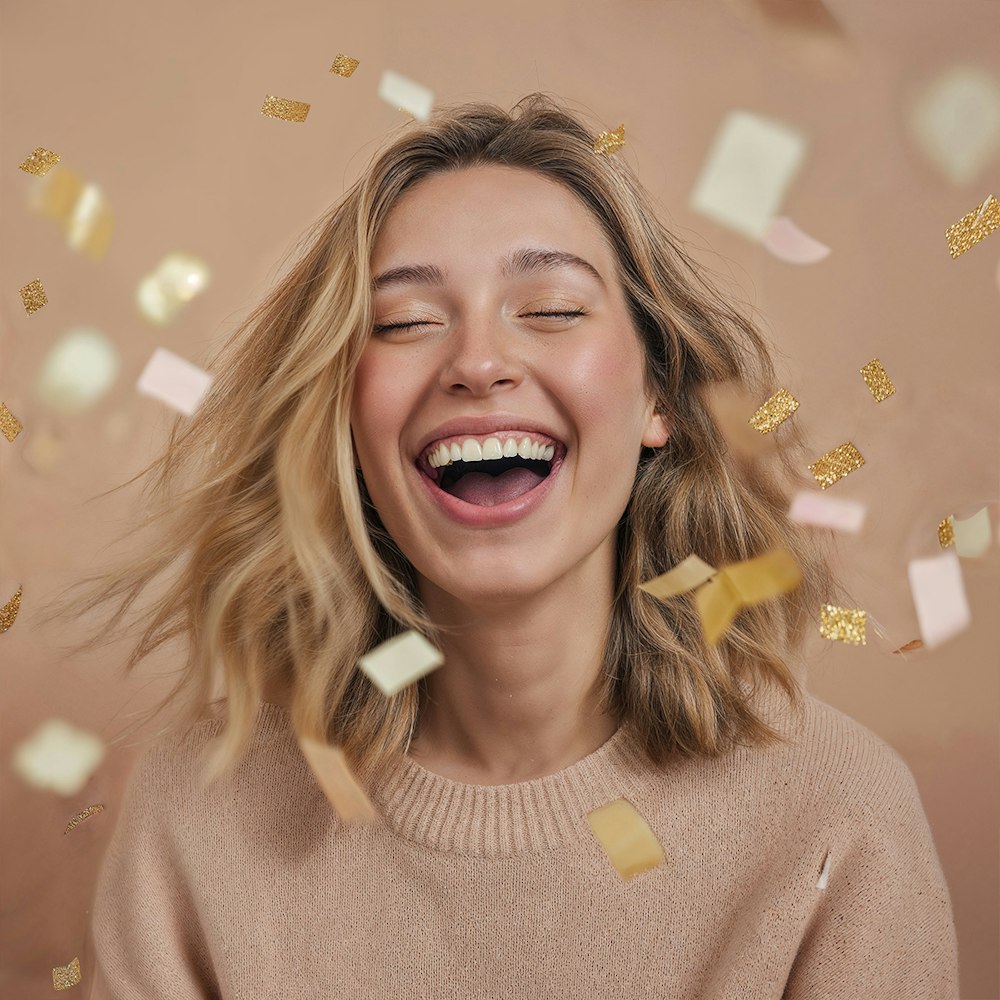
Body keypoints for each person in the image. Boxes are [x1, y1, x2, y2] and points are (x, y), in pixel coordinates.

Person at [87, 94, 958, 999]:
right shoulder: (196, 812)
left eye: (548, 308)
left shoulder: (834, 813)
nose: (477, 361)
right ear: (344, 418)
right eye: (406, 322)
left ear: (658, 398)